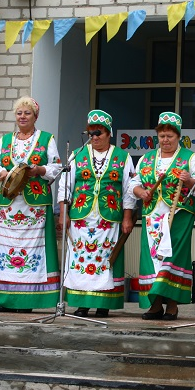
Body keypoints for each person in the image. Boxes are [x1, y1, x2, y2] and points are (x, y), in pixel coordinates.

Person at [0, 96, 62, 313]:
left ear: (35, 116)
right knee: (6, 249)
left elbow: (57, 167)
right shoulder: (5, 140)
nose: (22, 116)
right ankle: (4, 299)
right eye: (19, 113)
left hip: (34, 206)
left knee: (33, 251)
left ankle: (28, 301)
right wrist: (3, 173)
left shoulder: (47, 139)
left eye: (27, 113)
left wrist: (39, 170)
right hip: (9, 205)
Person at [58, 110, 136, 318]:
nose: (94, 137)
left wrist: (127, 217)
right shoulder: (77, 154)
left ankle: (103, 304)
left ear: (109, 133)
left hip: (109, 219)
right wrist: (63, 213)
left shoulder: (123, 157)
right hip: (81, 217)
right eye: (91, 133)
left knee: (105, 260)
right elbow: (65, 185)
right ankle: (81, 303)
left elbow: (129, 189)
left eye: (98, 133)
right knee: (81, 259)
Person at [130, 112, 195, 320]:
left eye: (169, 136)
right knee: (153, 260)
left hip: (179, 214)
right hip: (153, 215)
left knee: (172, 258)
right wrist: (141, 193)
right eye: (162, 135)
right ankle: (155, 305)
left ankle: (172, 305)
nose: (165, 140)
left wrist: (189, 180)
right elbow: (134, 183)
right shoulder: (147, 158)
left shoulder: (190, 158)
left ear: (178, 136)